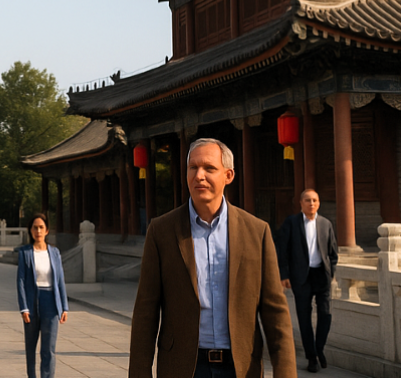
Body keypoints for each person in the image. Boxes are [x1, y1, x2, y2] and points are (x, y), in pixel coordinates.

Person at [129, 138, 295, 378]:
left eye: (209, 168)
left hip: (239, 366)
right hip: (184, 366)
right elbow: (146, 310)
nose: (199, 176)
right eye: (193, 168)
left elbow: (275, 311)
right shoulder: (162, 230)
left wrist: (286, 373)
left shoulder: (256, 232)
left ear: (228, 175)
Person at [275, 190, 338, 373]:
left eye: (315, 200)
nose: (311, 203)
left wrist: (330, 272)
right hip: (300, 277)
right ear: (301, 203)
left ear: (319, 203)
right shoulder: (291, 223)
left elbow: (333, 253)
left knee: (326, 314)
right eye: (308, 200)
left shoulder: (325, 224)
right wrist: (284, 274)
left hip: (321, 275)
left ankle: (319, 349)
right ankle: (312, 358)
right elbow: (282, 249)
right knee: (304, 318)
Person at [16, 214, 68, 378]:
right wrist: (24, 307)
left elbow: (60, 280)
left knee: (49, 349)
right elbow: (21, 281)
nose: (38, 231)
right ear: (30, 231)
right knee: (30, 348)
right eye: (35, 228)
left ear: (46, 230)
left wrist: (64, 307)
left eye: (41, 227)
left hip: (50, 302)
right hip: (32, 303)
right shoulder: (25, 253)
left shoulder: (54, 253)